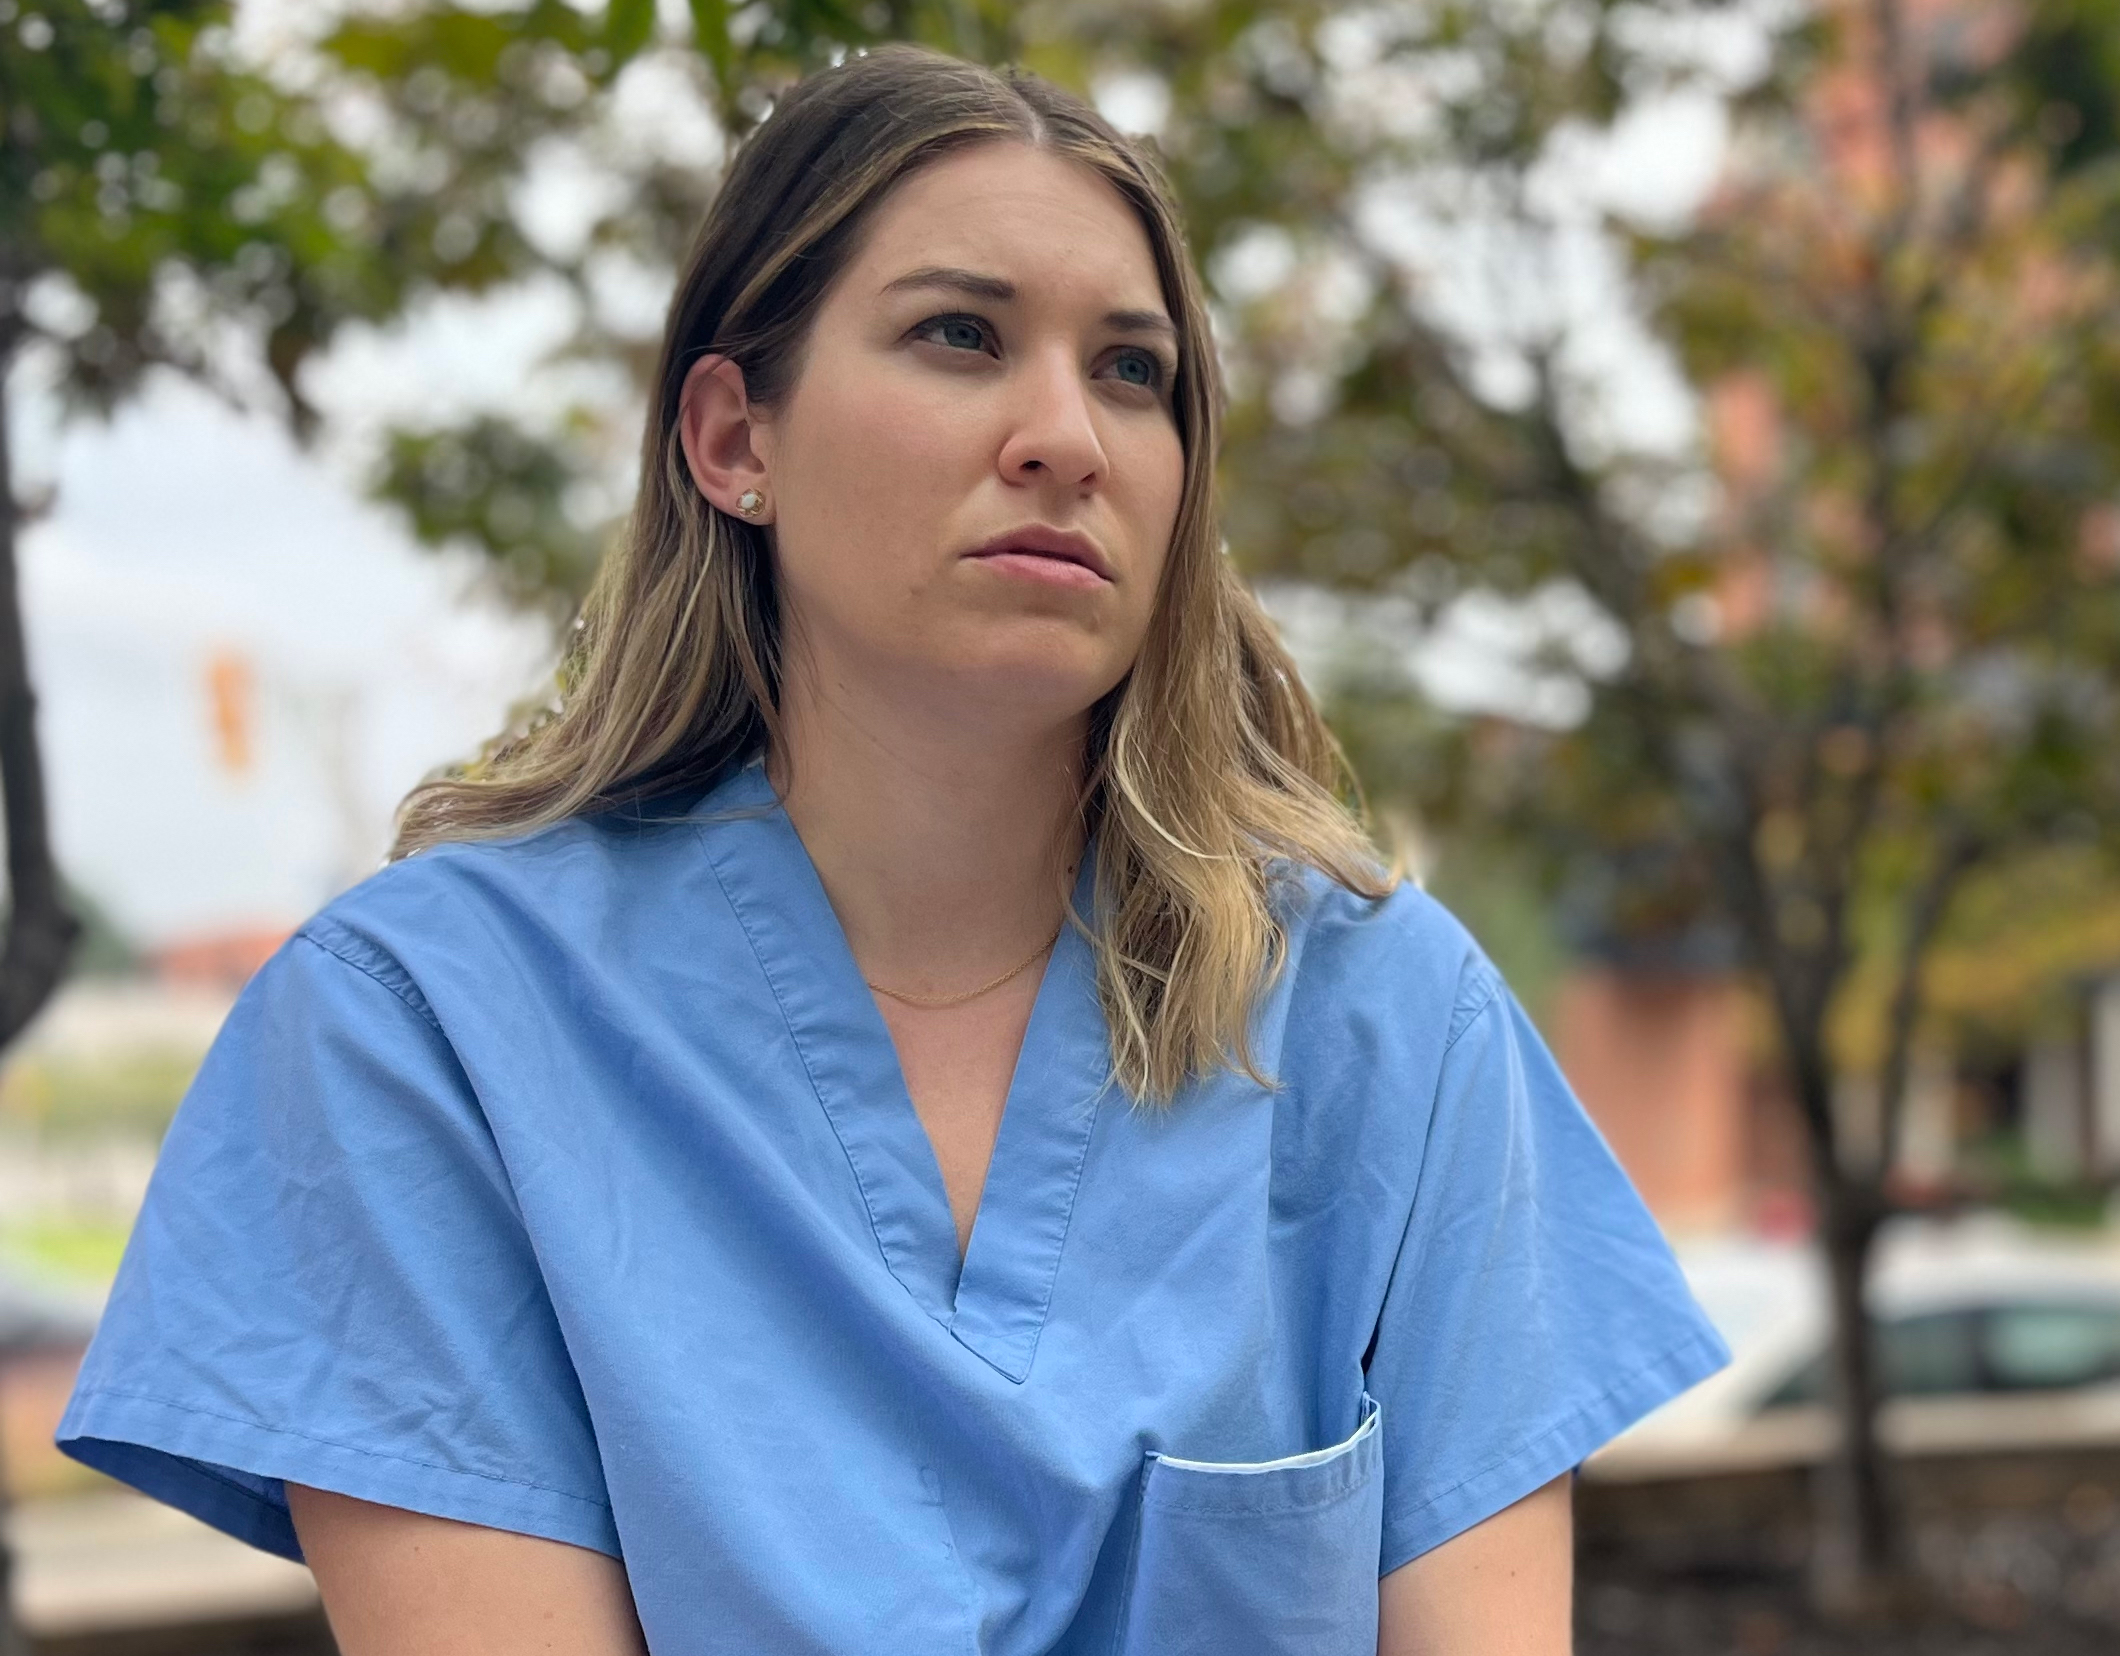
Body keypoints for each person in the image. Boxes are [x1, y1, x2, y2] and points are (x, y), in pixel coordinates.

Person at [56, 43, 1727, 1655]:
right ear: (735, 442)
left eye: (1133, 371)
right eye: (959, 335)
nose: (1064, 434)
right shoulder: (421, 1039)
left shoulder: (1390, 1030)